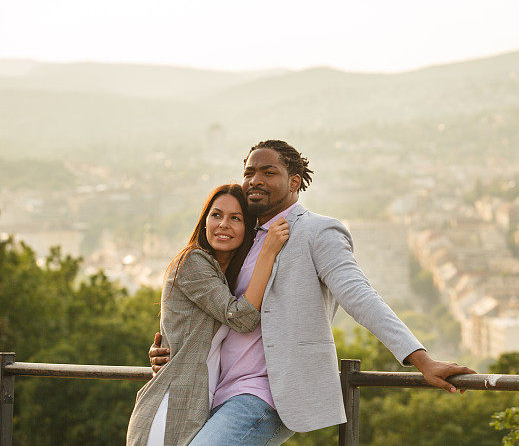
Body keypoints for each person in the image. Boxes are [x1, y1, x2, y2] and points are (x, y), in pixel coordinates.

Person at [150, 140, 476, 444]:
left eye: (268, 172)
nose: (255, 180)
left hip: (266, 393)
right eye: (249, 172)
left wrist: (421, 360)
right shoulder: (243, 235)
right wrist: (174, 350)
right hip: (216, 390)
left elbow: (360, 296)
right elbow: (215, 306)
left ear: (294, 182)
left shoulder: (317, 231)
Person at [127, 184, 289, 445]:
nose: (223, 224)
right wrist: (268, 250)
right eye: (216, 215)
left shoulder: (224, 279)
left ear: (247, 228)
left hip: (199, 405)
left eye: (235, 218)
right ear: (204, 222)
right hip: (172, 406)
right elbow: (243, 318)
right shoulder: (193, 261)